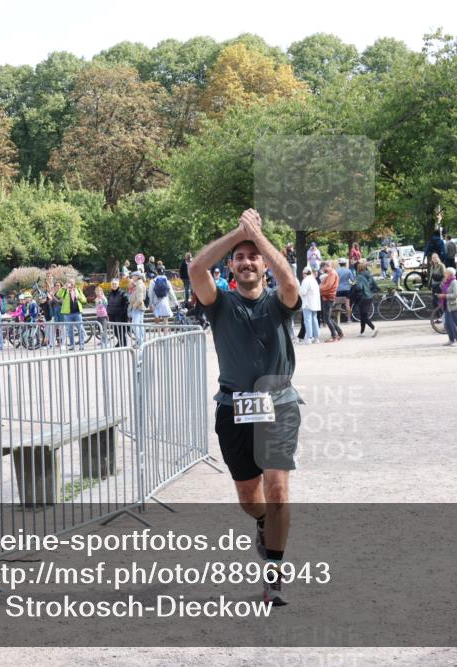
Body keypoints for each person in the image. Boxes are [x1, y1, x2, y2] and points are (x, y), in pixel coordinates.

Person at [190, 208, 302, 606]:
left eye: (254, 255)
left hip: (280, 406)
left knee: (278, 491)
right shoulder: (218, 302)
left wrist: (258, 236)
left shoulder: (279, 300)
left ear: (263, 264)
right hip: (233, 409)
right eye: (240, 256)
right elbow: (197, 268)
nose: (248, 261)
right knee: (250, 499)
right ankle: (260, 523)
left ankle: (274, 576)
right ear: (232, 266)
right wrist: (239, 231)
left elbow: (289, 279)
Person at [58, 278, 88, 350]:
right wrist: (63, 288)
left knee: (80, 328)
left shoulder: (77, 290)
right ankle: (72, 345)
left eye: (71, 282)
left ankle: (81, 345)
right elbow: (58, 295)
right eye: (68, 282)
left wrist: (79, 297)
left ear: (74, 283)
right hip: (68, 314)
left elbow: (84, 300)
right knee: (70, 330)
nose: (70, 283)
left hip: (77, 313)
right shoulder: (65, 290)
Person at [318, 261, 343, 342]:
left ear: (327, 266)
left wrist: (319, 288)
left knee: (327, 318)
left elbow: (328, 286)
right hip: (328, 296)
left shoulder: (332, 274)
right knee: (327, 317)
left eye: (324, 268)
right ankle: (339, 333)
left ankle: (334, 335)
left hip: (328, 297)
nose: (323, 270)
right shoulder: (331, 273)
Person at [353, 261, 379, 337]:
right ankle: (362, 332)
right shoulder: (369, 275)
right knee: (363, 315)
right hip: (369, 296)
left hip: (363, 297)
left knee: (364, 316)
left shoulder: (359, 276)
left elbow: (359, 287)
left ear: (358, 269)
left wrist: (354, 285)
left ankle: (374, 328)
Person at [438, 267, 457, 346]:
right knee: (448, 324)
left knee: (455, 324)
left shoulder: (455, 282)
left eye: (446, 274)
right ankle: (451, 339)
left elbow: (456, 295)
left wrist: (444, 296)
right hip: (446, 306)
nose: (445, 275)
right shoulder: (446, 282)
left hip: (453, 306)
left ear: (450, 274)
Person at [298, 267, 321, 344]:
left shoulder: (306, 280)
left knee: (307, 320)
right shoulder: (314, 280)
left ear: (305, 273)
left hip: (308, 303)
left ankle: (309, 337)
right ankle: (317, 337)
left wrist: (299, 291)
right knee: (314, 319)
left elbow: (303, 292)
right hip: (315, 303)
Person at [106, 280, 130, 346]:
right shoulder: (110, 293)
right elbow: (108, 303)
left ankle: (123, 343)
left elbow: (126, 303)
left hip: (120, 315)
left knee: (120, 330)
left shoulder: (122, 293)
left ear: (118, 285)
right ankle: (120, 342)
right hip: (112, 314)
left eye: (115, 284)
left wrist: (123, 312)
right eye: (113, 284)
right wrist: (108, 311)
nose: (114, 285)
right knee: (115, 331)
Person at [128, 272, 148, 343]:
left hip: (137, 307)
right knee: (140, 325)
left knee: (135, 325)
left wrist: (134, 306)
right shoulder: (139, 285)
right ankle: (141, 340)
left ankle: (140, 341)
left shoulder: (139, 285)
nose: (132, 277)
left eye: (133, 276)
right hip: (139, 307)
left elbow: (140, 299)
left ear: (137, 277)